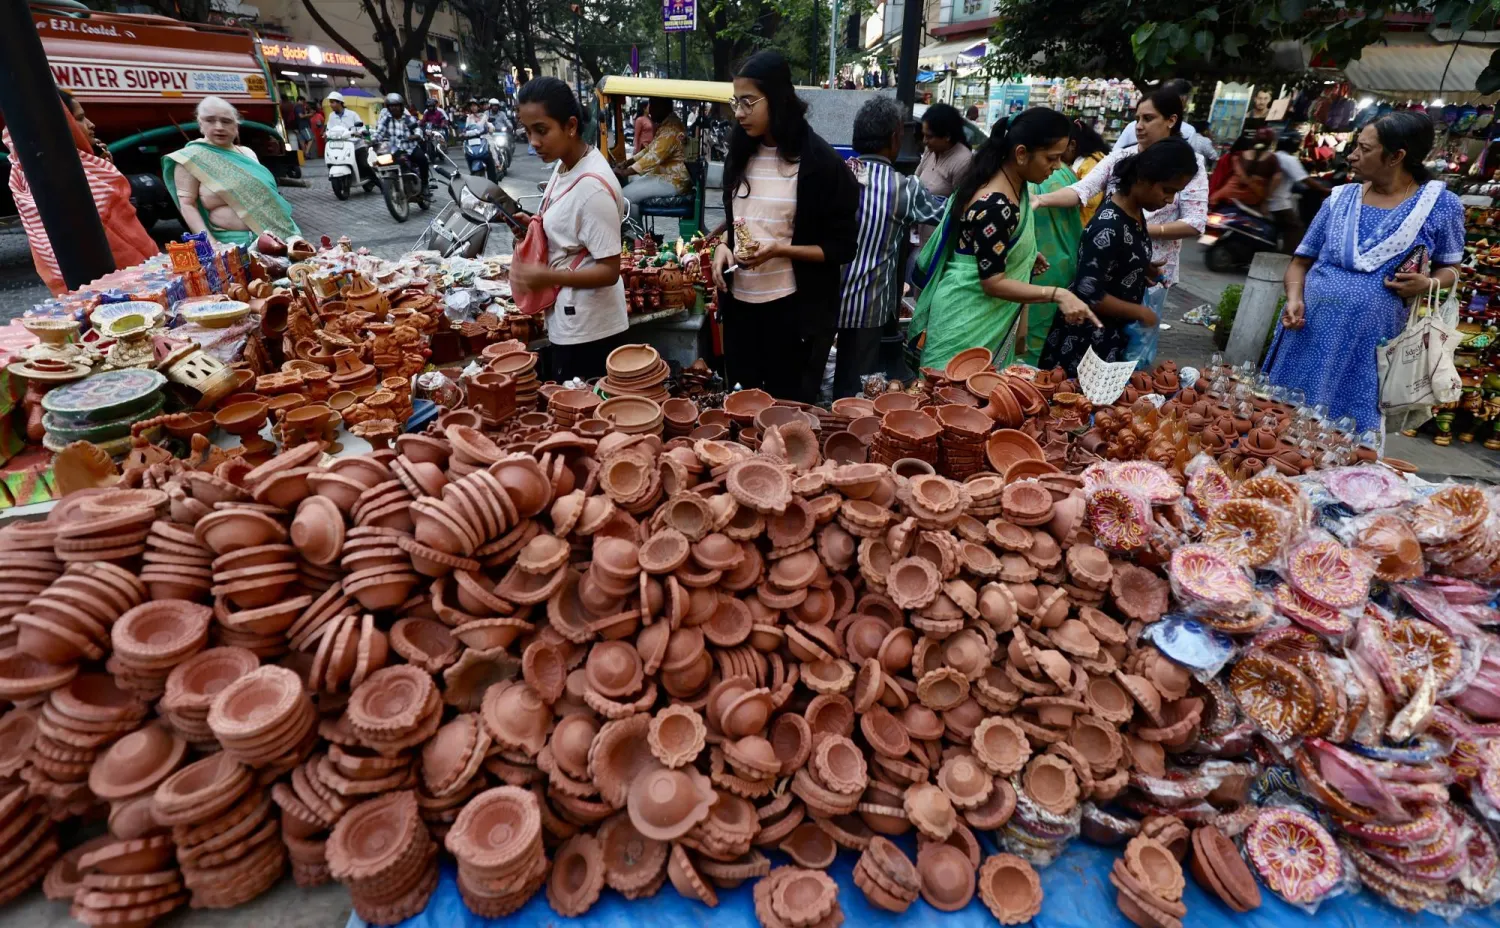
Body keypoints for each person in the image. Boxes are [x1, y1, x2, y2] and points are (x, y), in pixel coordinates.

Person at [1264, 111, 1464, 433]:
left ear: (1396, 156)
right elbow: (1300, 261)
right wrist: (1293, 297)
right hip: (1307, 333)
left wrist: (1427, 283)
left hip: (1369, 348)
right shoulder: (1339, 198)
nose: (1353, 155)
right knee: (1282, 426)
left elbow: (1451, 270)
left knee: (1346, 434)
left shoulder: (1441, 205)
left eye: (1365, 149)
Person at [710, 50, 858, 403]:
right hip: (741, 307)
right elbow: (740, 223)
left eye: (748, 102)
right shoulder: (741, 153)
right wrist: (722, 247)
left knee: (784, 408)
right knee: (742, 403)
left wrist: (779, 250)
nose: (739, 112)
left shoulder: (820, 164)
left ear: (778, 99)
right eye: (736, 102)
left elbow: (841, 247)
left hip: (791, 311)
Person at [907, 108, 1099, 371]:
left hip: (971, 314)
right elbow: (993, 283)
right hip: (966, 322)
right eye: (1051, 158)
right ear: (1021, 154)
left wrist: (1024, 255)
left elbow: (984, 247)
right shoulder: (996, 204)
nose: (1056, 168)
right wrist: (1057, 294)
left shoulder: (1005, 183)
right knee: (951, 399)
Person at [1035, 88, 1209, 369]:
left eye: (1148, 118)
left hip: (1110, 333)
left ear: (1171, 120)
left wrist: (1140, 266)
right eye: (1167, 191)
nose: (1170, 200)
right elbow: (1089, 291)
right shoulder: (1112, 224)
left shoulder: (1137, 213)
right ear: (1144, 178)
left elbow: (1194, 222)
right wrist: (1141, 312)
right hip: (1086, 341)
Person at [509, 77, 629, 380]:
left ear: (571, 126)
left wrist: (546, 275)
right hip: (569, 322)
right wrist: (535, 229)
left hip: (590, 332)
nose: (533, 141)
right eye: (527, 131)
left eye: (541, 130)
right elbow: (570, 230)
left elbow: (609, 270)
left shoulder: (593, 188)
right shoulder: (565, 165)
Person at [825, 96, 945, 397]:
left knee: (813, 376)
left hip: (824, 298)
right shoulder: (904, 188)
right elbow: (944, 213)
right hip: (869, 306)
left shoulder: (836, 174)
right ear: (895, 137)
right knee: (855, 385)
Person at [6, 91, 158, 295]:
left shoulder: (28, 171)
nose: (90, 124)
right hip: (127, 284)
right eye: (78, 118)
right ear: (60, 124)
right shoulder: (68, 173)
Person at [163, 95, 300, 247]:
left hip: (276, 239)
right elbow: (187, 206)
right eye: (210, 120)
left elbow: (269, 198)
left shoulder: (247, 154)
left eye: (226, 121)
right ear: (200, 124)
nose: (219, 127)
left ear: (236, 125)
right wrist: (212, 245)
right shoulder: (191, 158)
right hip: (230, 245)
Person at [1023, 122, 1091, 364]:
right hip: (1065, 263)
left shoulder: (1027, 176)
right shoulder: (1067, 175)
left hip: (1036, 267)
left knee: (1029, 340)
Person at [616, 98, 690, 224]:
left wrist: (624, 172)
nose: (650, 111)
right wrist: (627, 163)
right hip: (666, 175)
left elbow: (653, 157)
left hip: (674, 180)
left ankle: (635, 238)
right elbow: (649, 149)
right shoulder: (668, 124)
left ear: (663, 106)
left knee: (623, 198)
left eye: (653, 106)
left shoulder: (671, 129)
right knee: (632, 182)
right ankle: (640, 236)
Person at [915, 103, 973, 251]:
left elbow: (960, 209)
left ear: (947, 136)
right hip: (920, 240)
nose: (924, 141)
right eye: (924, 135)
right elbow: (915, 181)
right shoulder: (931, 151)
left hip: (940, 245)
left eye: (929, 137)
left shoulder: (963, 161)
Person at [1266, 132, 1326, 252]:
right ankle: (1288, 257)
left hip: (1267, 200)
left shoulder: (1273, 156)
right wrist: (1326, 190)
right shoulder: (1289, 159)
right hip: (1278, 203)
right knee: (1296, 229)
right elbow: (1306, 180)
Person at [1112, 79, 1199, 151]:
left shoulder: (1188, 133)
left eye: (1148, 118)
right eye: (1138, 119)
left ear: (1172, 121)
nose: (1138, 126)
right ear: (1184, 99)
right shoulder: (1120, 157)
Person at [373, 92, 429, 188]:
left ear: (401, 106)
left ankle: (425, 185)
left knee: (422, 159)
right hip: (393, 150)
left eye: (396, 105)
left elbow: (417, 129)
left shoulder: (409, 119)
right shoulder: (385, 120)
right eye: (391, 106)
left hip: (409, 148)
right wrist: (372, 141)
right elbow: (379, 133)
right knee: (379, 162)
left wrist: (416, 135)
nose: (393, 108)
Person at [1071, 120, 1111, 225]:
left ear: (1072, 145)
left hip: (1083, 224)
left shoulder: (1090, 163)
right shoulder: (1091, 159)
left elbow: (1091, 200)